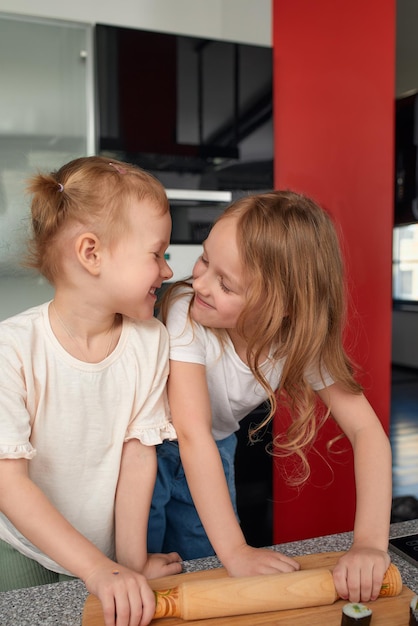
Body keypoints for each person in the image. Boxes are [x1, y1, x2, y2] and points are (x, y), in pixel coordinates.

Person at [147, 190, 392, 604]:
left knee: (206, 573)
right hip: (142, 456)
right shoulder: (185, 313)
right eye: (205, 259)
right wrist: (238, 550)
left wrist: (370, 543)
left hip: (213, 451)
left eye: (225, 283)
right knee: (141, 573)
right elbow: (191, 434)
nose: (198, 282)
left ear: (284, 307)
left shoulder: (296, 344)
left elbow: (367, 431)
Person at [0, 156, 182, 626]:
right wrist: (101, 570)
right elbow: (9, 483)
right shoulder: (12, 348)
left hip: (100, 556)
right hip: (16, 548)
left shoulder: (151, 341)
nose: (167, 270)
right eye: (157, 253)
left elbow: (138, 457)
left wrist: (128, 561)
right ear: (92, 253)